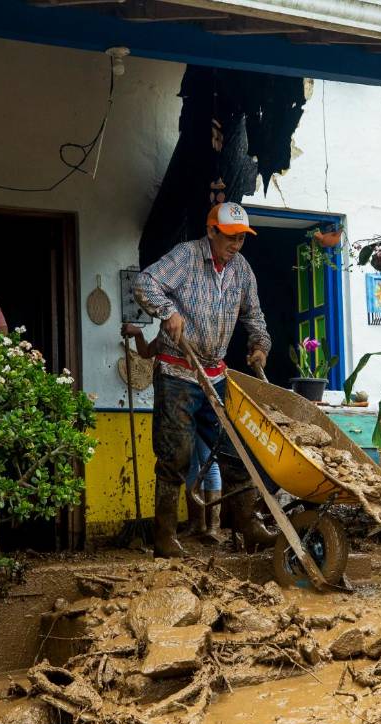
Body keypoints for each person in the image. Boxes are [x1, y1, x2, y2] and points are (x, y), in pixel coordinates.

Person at [134, 202, 272, 557]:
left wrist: (259, 345)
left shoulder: (241, 269)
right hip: (178, 369)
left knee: (236, 449)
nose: (236, 244)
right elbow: (145, 282)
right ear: (211, 231)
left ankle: (248, 525)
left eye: (241, 237)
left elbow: (254, 314)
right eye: (230, 236)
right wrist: (168, 312)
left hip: (216, 372)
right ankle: (164, 537)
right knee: (175, 454)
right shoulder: (187, 256)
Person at [122, 322, 222, 541]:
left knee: (209, 462)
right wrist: (138, 334)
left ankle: (214, 526)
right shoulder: (167, 336)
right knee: (190, 464)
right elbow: (146, 352)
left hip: (204, 402)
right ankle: (197, 523)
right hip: (180, 409)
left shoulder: (203, 338)